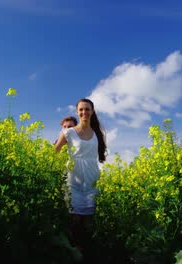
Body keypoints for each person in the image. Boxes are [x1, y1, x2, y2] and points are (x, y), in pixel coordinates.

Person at [55, 98, 107, 255]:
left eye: (87, 109)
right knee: (74, 219)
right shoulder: (69, 132)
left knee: (89, 221)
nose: (84, 112)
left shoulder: (98, 133)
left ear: (92, 111)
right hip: (73, 179)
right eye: (81, 110)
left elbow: (98, 155)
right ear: (77, 112)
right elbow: (54, 152)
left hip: (92, 179)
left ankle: (88, 254)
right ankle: (72, 253)